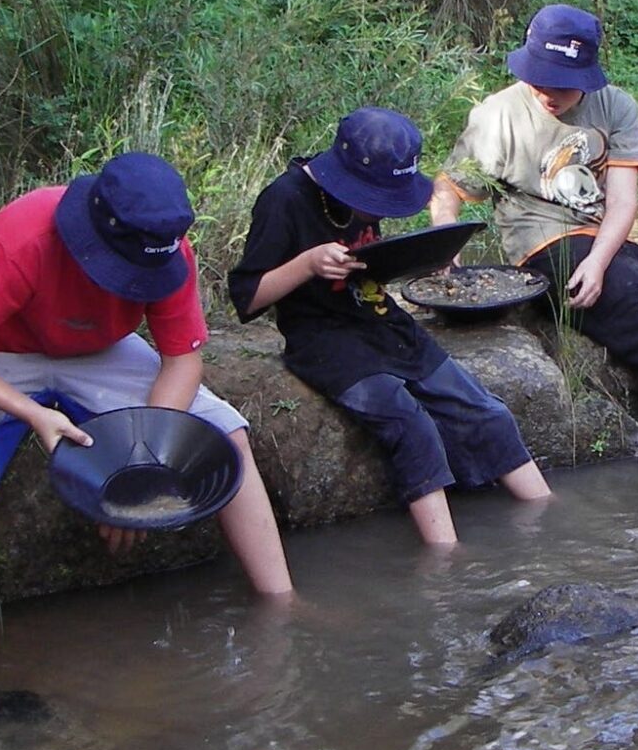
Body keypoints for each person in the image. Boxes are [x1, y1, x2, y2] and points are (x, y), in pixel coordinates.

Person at [0, 153, 293, 689]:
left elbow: (181, 358)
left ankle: (283, 607)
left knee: (226, 435)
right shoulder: (23, 235)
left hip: (103, 352)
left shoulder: (167, 245)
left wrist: (141, 468)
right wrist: (31, 412)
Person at [430, 3, 638, 437]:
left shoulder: (615, 105)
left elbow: (623, 203)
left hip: (602, 242)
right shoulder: (497, 115)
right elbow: (449, 187)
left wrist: (600, 261)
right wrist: (444, 243)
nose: (550, 93)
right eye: (541, 78)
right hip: (542, 248)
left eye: (564, 84)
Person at [229, 107, 553, 545]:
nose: (374, 210)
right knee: (409, 421)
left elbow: (373, 264)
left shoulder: (370, 188)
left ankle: (550, 522)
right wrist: (308, 264)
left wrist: (426, 256)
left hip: (379, 316)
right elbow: (248, 297)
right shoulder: (284, 199)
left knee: (482, 409)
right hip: (320, 336)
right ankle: (446, 555)